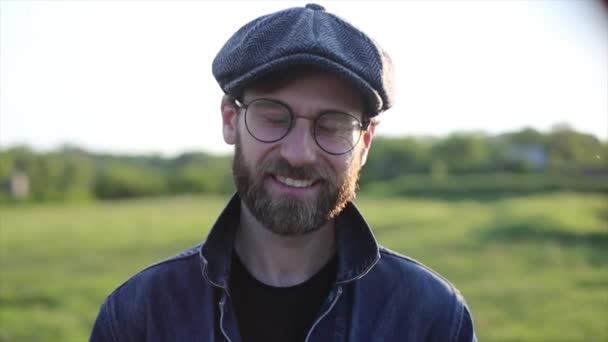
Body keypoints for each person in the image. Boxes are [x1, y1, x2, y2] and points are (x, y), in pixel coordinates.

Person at [90, 3, 476, 341]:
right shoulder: (138, 316)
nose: (299, 153)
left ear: (366, 142)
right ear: (230, 120)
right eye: (275, 118)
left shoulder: (433, 318)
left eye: (332, 125)